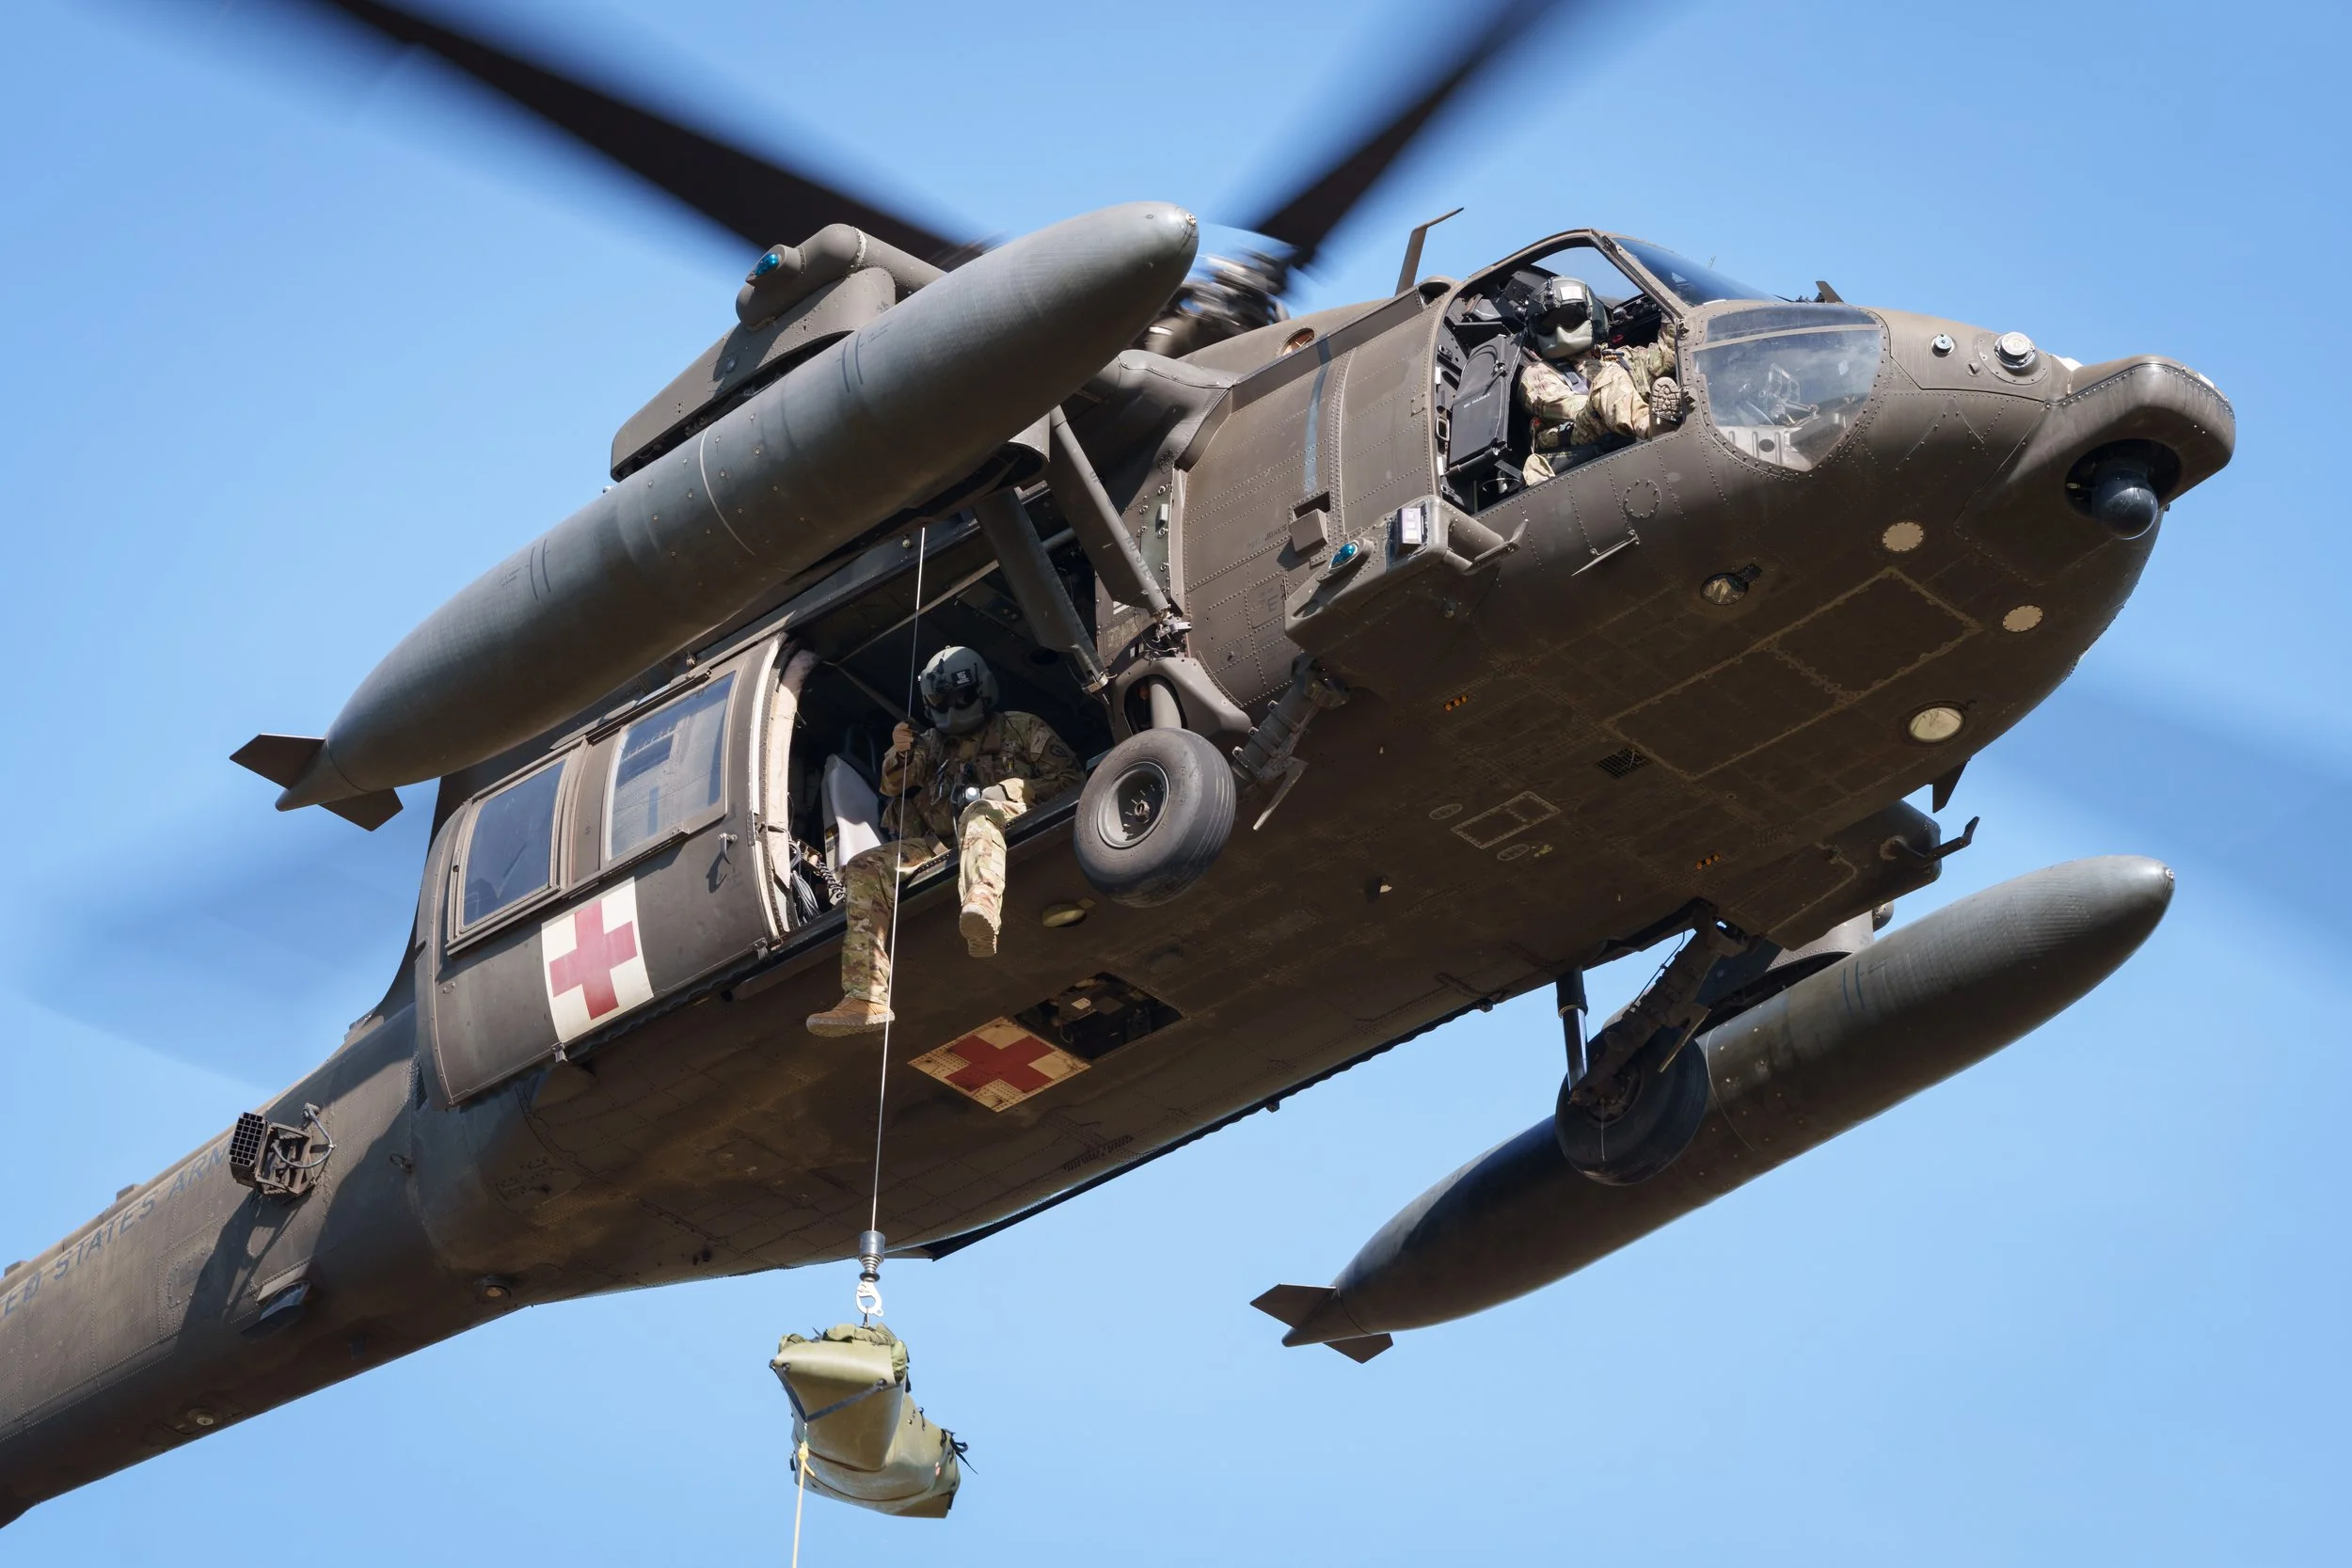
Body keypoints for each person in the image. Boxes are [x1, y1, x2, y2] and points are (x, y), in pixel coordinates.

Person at [806, 646, 1084, 1037]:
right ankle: (865, 994)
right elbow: (891, 784)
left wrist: (1011, 790)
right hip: (942, 845)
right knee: (865, 867)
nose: (953, 707)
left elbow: (1072, 782)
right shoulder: (932, 744)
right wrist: (899, 752)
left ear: (982, 690)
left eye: (962, 697)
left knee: (980, 813)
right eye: (941, 701)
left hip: (1011, 825)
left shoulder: (1021, 728)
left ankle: (982, 906)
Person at [1515, 276, 1685, 484]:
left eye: (1569, 319)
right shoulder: (1537, 373)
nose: (1559, 330)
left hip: (1619, 436)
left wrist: (1671, 303)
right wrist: (1606, 392)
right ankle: (1654, 426)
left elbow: (1669, 355)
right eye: (1548, 324)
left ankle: (1661, 421)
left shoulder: (1623, 359)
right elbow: (1572, 408)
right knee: (1608, 379)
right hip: (1577, 440)